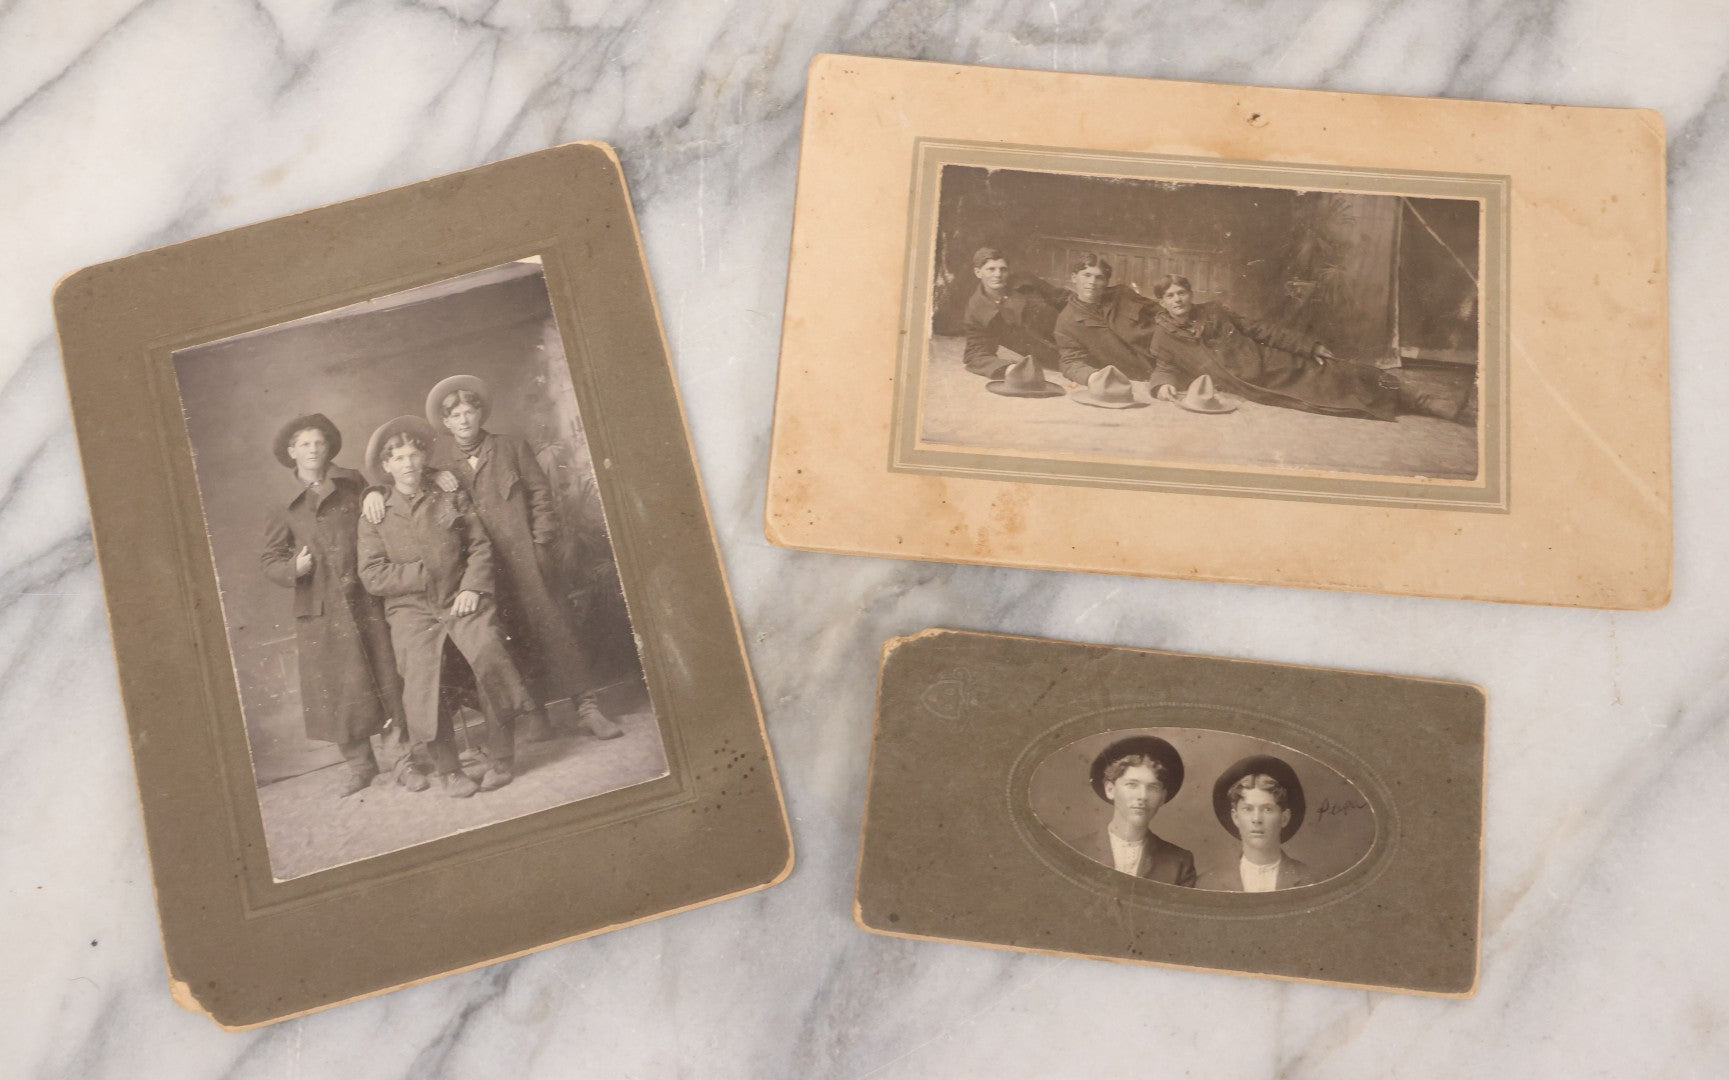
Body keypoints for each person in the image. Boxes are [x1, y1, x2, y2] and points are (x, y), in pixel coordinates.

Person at [366, 376, 623, 743]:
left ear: (480, 413)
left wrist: (541, 545)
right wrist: (372, 493)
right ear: (446, 422)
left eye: (470, 411)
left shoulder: (510, 447)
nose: (464, 420)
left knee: (555, 629)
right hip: (481, 571)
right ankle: (535, 717)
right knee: (506, 640)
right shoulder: (440, 468)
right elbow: (403, 481)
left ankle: (587, 708)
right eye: (455, 415)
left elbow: (540, 497)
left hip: (526, 561)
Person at [357, 416, 551, 796]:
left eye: (414, 454)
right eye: (398, 458)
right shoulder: (375, 514)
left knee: (488, 650)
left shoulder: (448, 494)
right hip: (412, 610)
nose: (408, 464)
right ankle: (449, 769)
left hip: (461, 598)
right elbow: (372, 574)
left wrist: (473, 588)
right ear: (386, 466)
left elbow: (479, 546)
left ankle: (501, 758)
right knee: (421, 676)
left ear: (424, 458)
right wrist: (426, 573)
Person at [259, 414, 404, 798]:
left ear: (329, 448)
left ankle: (403, 759)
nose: (313, 449)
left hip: (364, 596)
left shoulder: (352, 481)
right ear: (292, 453)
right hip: (321, 608)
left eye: (319, 442)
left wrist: (375, 491)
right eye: (304, 444)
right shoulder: (282, 504)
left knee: (386, 673)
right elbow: (270, 560)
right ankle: (360, 766)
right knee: (340, 689)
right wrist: (295, 567)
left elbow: (380, 501)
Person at [1144, 274, 1468, 421]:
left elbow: (1262, 330)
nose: (1178, 300)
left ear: (1190, 293)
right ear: (1161, 302)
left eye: (1181, 292)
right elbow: (1164, 368)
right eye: (1170, 296)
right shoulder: (1163, 337)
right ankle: (1414, 403)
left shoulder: (1215, 311)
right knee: (1338, 398)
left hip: (1277, 364)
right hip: (1257, 386)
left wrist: (1307, 345)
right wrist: (1161, 388)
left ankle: (1424, 401)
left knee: (1348, 372)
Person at [1062, 735, 1197, 886]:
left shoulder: (1179, 863)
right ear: (1110, 789)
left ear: (1162, 797)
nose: (1142, 796)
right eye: (1132, 785)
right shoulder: (1073, 852)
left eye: (1152, 787)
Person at [1052, 253, 1182, 390]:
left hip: (1171, 361)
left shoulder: (1122, 294)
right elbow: (1070, 362)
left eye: (1099, 277)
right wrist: (1092, 376)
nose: (1092, 282)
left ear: (1106, 282)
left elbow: (1160, 311)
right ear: (1074, 278)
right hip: (1137, 379)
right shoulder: (1066, 321)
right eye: (1087, 275)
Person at [1196, 755, 1317, 892]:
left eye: (1267, 809)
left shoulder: (1310, 880)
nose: (1256, 819)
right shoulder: (1208, 883)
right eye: (1247, 809)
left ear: (1284, 818)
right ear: (1235, 817)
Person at [961, 247, 1069, 378]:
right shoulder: (976, 310)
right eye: (991, 269)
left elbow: (1062, 298)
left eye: (1003, 269)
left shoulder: (1026, 282)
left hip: (1079, 336)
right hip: (1055, 359)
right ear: (978, 272)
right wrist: (1009, 369)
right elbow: (975, 354)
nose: (998, 274)